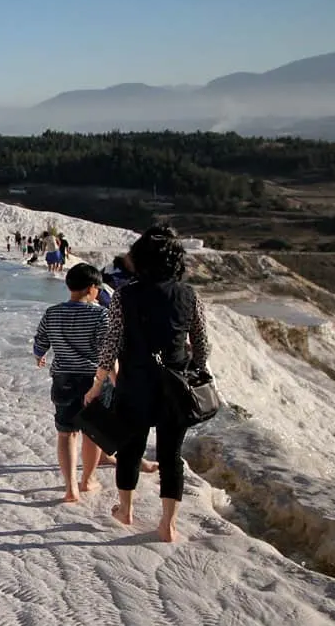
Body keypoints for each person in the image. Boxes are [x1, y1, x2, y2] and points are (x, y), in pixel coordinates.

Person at [86, 225, 211, 543]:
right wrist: (195, 368)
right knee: (171, 455)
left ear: (141, 259)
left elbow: (111, 344)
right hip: (175, 385)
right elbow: (202, 343)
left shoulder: (124, 296)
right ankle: (167, 525)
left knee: (130, 450)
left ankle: (125, 511)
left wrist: (98, 383)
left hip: (135, 385)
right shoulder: (189, 295)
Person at [32, 264, 109, 503]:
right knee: (92, 433)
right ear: (92, 288)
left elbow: (39, 343)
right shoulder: (100, 314)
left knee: (66, 433)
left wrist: (40, 356)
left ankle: (70, 489)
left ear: (68, 286)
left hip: (63, 378)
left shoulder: (52, 312)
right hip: (92, 379)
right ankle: (87, 480)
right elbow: (107, 351)